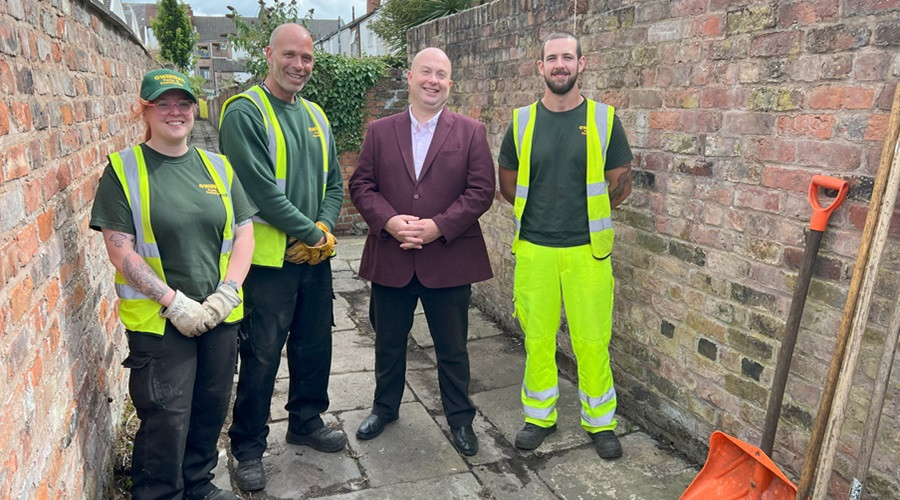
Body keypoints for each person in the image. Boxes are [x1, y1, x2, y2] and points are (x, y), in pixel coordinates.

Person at [90, 68, 256, 499]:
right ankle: (159, 493)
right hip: (160, 320)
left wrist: (227, 293)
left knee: (210, 406)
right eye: (162, 103)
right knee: (166, 415)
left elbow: (244, 233)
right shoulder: (124, 169)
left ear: (194, 109)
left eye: (183, 102)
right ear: (144, 110)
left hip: (219, 315)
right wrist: (173, 302)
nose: (174, 111)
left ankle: (198, 484)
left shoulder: (217, 166)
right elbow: (119, 249)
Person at [217, 23, 345, 492]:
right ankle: (247, 447)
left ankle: (306, 421)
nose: (299, 66)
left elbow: (334, 182)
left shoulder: (316, 114)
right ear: (269, 54)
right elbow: (260, 190)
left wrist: (325, 233)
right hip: (270, 263)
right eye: (290, 55)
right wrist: (312, 232)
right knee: (261, 355)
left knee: (315, 345)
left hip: (314, 257)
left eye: (307, 58)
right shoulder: (244, 112)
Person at [349, 47, 495, 456]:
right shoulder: (380, 131)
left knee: (453, 347)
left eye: (442, 74)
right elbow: (361, 185)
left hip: (448, 258)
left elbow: (481, 191)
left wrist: (437, 227)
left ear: (450, 83)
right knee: (388, 342)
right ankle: (384, 408)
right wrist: (391, 222)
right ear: (409, 77)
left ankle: (461, 419)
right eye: (426, 72)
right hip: (392, 256)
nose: (433, 80)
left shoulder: (470, 131)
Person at [497, 32, 634, 459]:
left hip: (587, 249)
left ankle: (601, 422)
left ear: (581, 64)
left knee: (592, 340)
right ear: (540, 67)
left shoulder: (604, 119)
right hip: (535, 248)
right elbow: (507, 182)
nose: (560, 64)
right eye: (552, 58)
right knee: (537, 337)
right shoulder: (521, 121)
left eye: (568, 57)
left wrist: (582, 212)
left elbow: (621, 182)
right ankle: (540, 417)